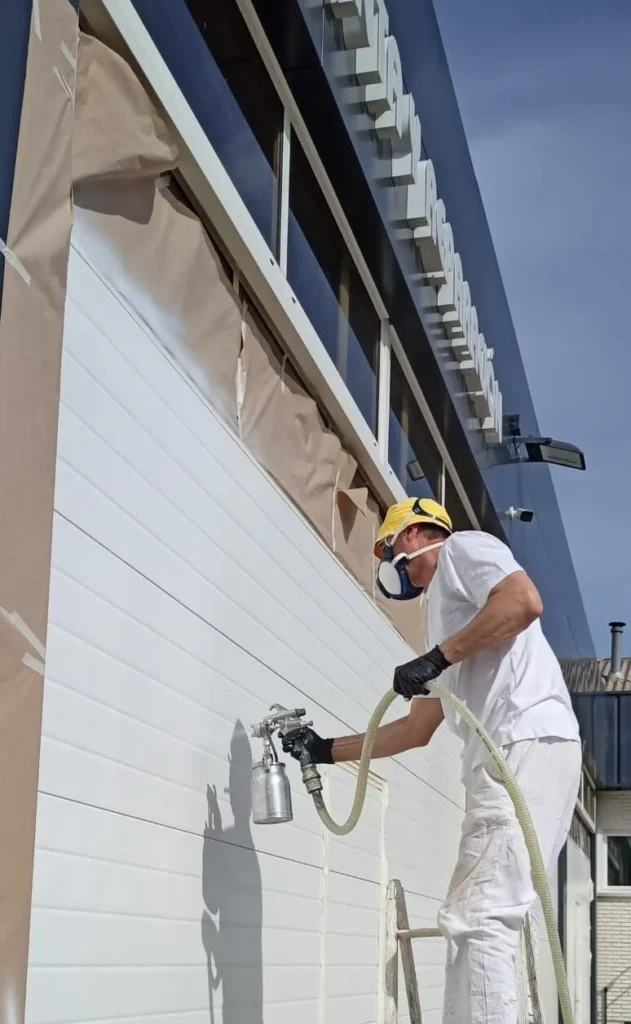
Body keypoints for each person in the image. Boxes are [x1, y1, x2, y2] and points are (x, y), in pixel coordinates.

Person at [281, 496, 581, 1024]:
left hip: (522, 742)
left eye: (390, 544)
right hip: (519, 752)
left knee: (482, 913)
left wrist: (439, 657)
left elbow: (523, 601)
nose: (389, 560)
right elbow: (418, 729)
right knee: (475, 916)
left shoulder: (464, 548)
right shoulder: (446, 617)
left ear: (417, 534)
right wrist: (325, 751)